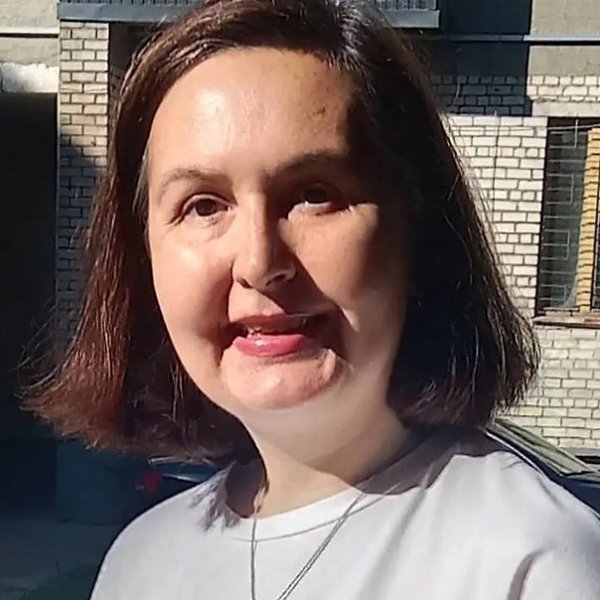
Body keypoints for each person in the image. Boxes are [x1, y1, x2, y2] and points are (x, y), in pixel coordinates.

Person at [29, 0, 600, 598]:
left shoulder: (530, 561)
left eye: (313, 194)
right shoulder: (142, 562)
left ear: (418, 232)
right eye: (203, 205)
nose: (259, 262)